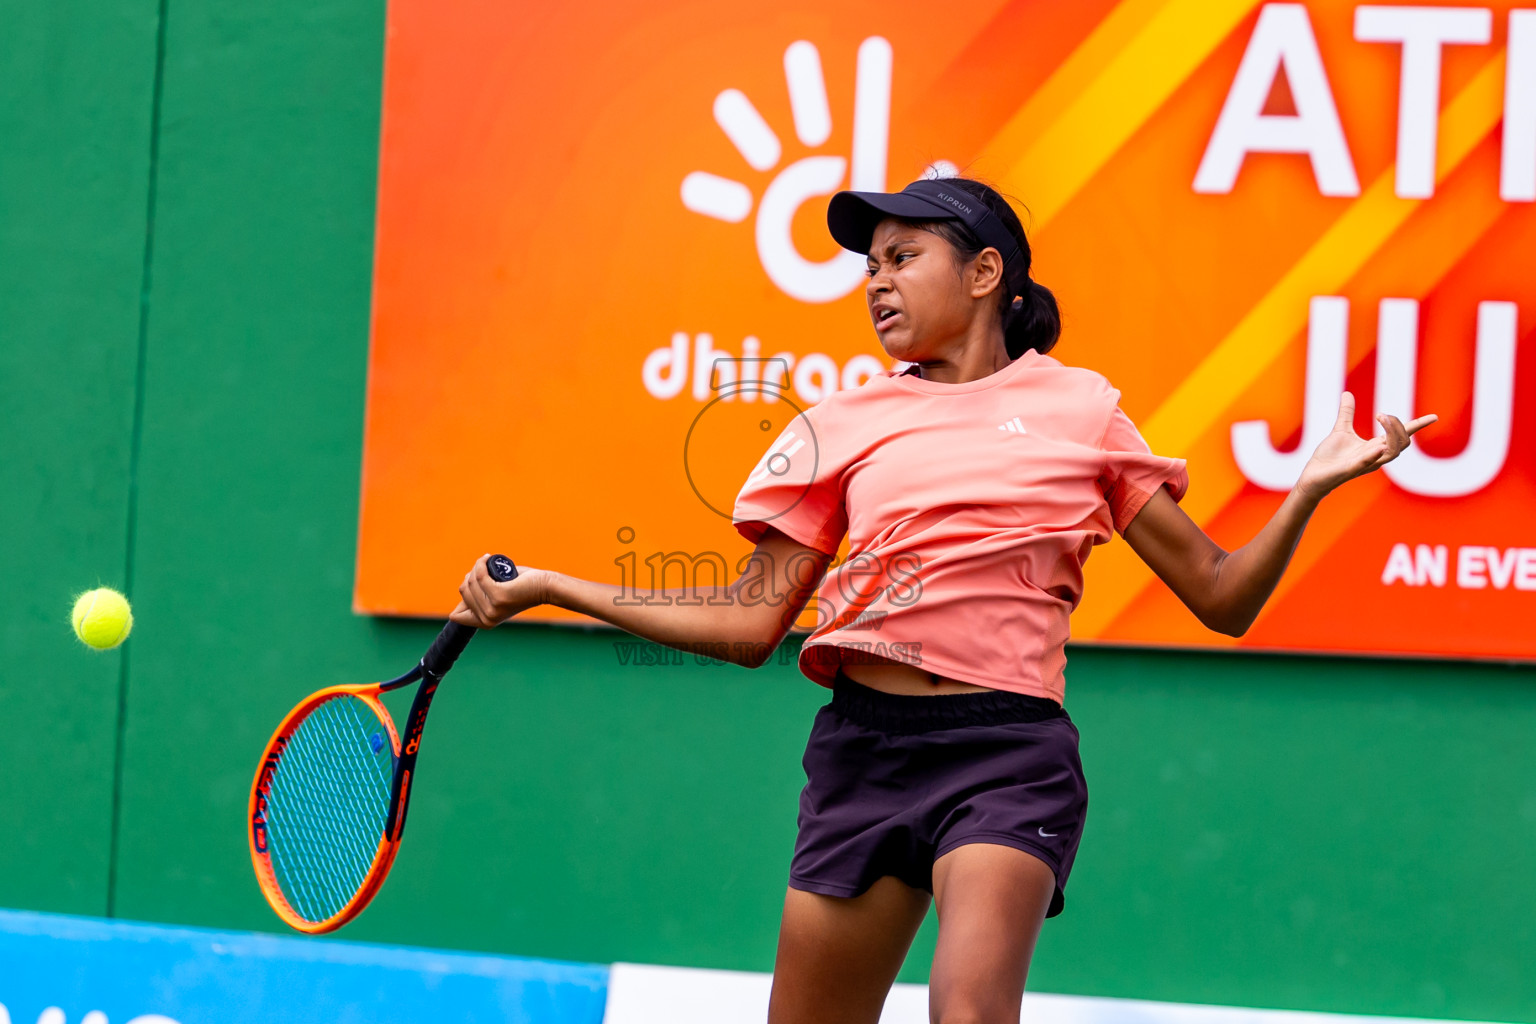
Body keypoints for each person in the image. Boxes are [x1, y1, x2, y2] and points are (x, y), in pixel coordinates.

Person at [449, 175, 1436, 1024]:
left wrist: (1307, 491)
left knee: (967, 1010)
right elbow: (753, 620)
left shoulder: (1083, 410)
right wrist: (551, 587)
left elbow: (1221, 595)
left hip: (1008, 754)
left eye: (902, 255)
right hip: (862, 754)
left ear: (985, 273)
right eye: (868, 263)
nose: (876, 280)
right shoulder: (841, 422)